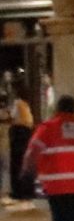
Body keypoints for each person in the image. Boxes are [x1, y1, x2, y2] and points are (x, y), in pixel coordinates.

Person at [4, 75, 35, 209]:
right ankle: (26, 191)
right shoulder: (26, 104)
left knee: (16, 163)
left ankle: (18, 192)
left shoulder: (18, 103)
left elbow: (12, 118)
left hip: (19, 134)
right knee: (24, 162)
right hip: (26, 133)